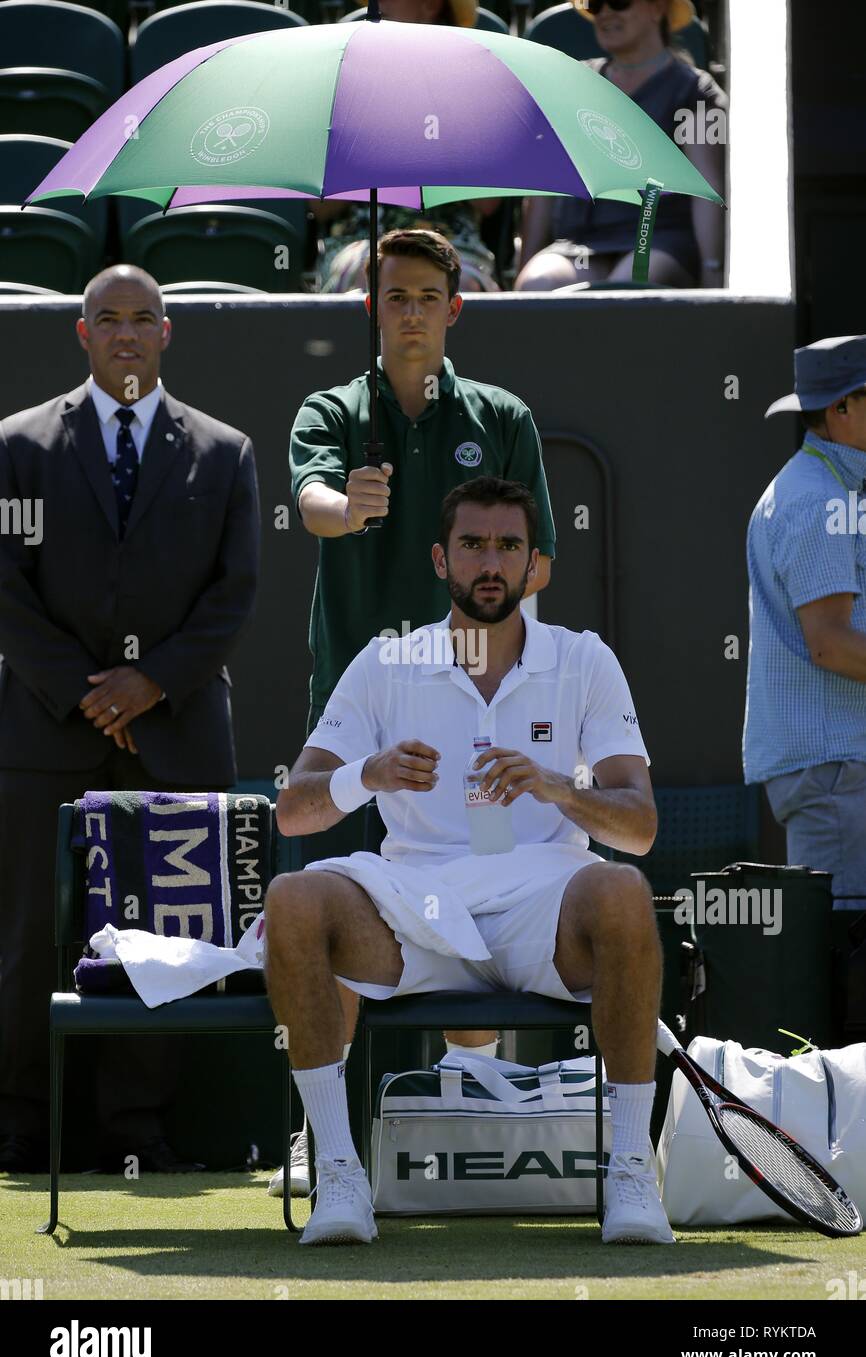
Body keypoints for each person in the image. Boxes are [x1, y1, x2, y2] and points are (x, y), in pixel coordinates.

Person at [263, 474, 672, 1247]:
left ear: (533, 566)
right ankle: (341, 1173)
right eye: (473, 545)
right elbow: (296, 807)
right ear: (439, 561)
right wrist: (368, 775)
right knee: (293, 898)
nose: (491, 562)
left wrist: (558, 788)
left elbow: (640, 826)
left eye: (508, 546)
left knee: (622, 890)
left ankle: (627, 1172)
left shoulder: (584, 661)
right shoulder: (387, 662)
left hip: (543, 910)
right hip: (412, 906)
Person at [274, 228, 557, 1198]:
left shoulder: (502, 417)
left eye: (425, 296)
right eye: (393, 296)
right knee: (329, 920)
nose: (408, 313)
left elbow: (539, 560)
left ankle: (469, 1102)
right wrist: (345, 505)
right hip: (354, 725)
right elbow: (309, 501)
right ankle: (323, 1134)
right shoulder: (329, 411)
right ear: (371, 307)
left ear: (453, 307)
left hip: (476, 719)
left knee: (473, 898)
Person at [0, 265, 260, 1173]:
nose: (124, 334)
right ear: (81, 334)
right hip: (44, 735)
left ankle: (135, 1133)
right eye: (106, 320)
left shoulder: (225, 452)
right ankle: (23, 1125)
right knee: (32, 933)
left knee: (164, 940)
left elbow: (234, 598)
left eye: (141, 319)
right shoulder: (19, 447)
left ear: (166, 331)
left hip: (176, 737)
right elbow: (7, 591)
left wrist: (150, 685)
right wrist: (87, 690)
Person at [744, 335, 866, 911]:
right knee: (846, 967)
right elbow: (832, 646)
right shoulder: (817, 498)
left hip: (837, 772)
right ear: (842, 408)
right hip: (837, 775)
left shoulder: (827, 489)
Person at [516, 0, 726, 291]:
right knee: (537, 283)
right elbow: (545, 189)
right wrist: (520, 271)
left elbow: (707, 190)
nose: (605, 13)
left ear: (657, 8)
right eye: (595, 4)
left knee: (627, 286)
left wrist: (712, 271)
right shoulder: (570, 84)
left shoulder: (694, 90)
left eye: (619, 1)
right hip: (580, 247)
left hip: (657, 242)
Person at [310, 0, 501, 294]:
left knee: (459, 286)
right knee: (372, 277)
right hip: (358, 242)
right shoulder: (348, 80)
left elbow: (488, 202)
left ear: (431, 5)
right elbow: (321, 207)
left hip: (451, 243)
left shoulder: (474, 84)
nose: (379, 3)